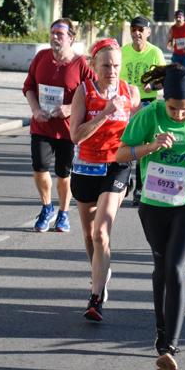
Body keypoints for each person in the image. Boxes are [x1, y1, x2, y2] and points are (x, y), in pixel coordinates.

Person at [116, 65, 185, 370]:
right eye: (174, 108)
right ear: (165, 99)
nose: (178, 115)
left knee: (176, 267)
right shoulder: (149, 116)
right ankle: (160, 334)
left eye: (184, 109)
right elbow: (120, 154)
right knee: (161, 268)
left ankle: (169, 347)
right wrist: (150, 146)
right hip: (154, 204)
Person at [69, 39, 139, 322]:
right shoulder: (83, 92)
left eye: (117, 66)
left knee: (101, 232)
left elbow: (139, 130)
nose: (112, 71)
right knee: (89, 236)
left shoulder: (129, 92)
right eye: (106, 65)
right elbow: (76, 135)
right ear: (93, 66)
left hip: (116, 166)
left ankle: (95, 298)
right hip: (86, 167)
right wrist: (106, 113)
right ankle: (99, 272)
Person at [23, 18, 94, 232]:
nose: (54, 37)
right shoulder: (41, 57)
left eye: (60, 34)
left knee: (64, 175)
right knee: (39, 168)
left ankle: (63, 213)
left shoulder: (81, 64)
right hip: (42, 126)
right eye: (52, 33)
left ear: (71, 38)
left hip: (68, 130)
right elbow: (29, 87)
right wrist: (35, 110)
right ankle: (47, 207)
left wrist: (71, 109)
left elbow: (92, 94)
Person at [121, 15, 168, 206]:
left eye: (141, 30)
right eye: (134, 29)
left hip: (147, 103)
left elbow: (164, 80)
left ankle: (140, 188)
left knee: (141, 147)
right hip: (125, 103)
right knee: (122, 144)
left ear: (148, 32)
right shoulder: (123, 52)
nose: (137, 33)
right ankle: (125, 180)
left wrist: (154, 87)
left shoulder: (155, 53)